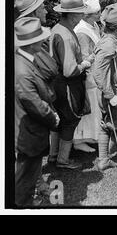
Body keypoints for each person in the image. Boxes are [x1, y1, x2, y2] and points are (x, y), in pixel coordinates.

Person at [15, 17, 60, 206]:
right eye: (40, 38)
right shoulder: (23, 71)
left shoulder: (23, 60)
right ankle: (22, 203)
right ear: (32, 43)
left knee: (28, 173)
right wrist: (53, 118)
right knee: (25, 177)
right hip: (29, 133)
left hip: (28, 129)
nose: (43, 41)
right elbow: (34, 104)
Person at [49, 0, 93, 169]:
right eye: (81, 12)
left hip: (57, 84)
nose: (83, 15)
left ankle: (53, 156)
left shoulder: (58, 28)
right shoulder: (66, 35)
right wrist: (86, 63)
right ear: (74, 15)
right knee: (69, 120)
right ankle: (63, 160)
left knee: (59, 120)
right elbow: (69, 70)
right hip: (67, 85)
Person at [92, 4, 117, 171]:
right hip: (114, 90)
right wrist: (111, 95)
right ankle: (114, 153)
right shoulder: (108, 44)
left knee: (106, 123)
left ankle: (103, 160)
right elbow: (98, 72)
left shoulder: (112, 38)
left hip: (115, 88)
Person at [72, 0, 102, 153]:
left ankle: (93, 136)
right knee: (87, 107)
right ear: (86, 15)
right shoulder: (82, 31)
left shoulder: (94, 25)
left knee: (95, 107)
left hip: (97, 72)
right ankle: (79, 140)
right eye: (96, 13)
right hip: (88, 75)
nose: (99, 15)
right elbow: (84, 56)